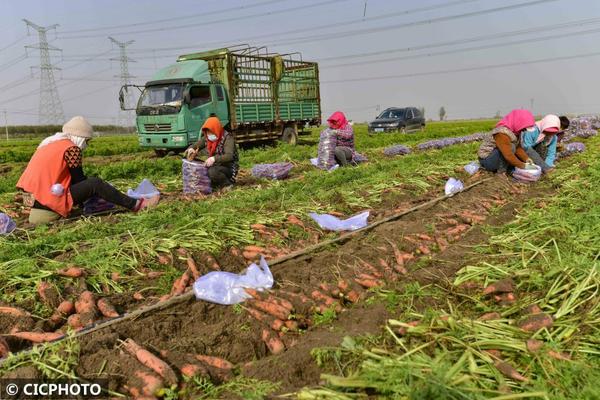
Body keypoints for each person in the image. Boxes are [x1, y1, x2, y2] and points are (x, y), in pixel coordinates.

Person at [17, 116, 159, 225]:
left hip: (36, 197)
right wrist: (103, 190)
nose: (87, 145)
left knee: (91, 184)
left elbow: (71, 179)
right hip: (49, 199)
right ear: (80, 138)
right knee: (95, 183)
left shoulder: (50, 144)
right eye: (87, 141)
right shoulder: (71, 149)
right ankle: (137, 205)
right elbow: (79, 179)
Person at [183, 116, 239, 189]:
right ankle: (215, 184)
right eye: (207, 132)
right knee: (201, 170)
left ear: (216, 129)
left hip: (228, 167)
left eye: (211, 132)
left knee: (212, 172)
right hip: (216, 165)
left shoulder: (227, 138)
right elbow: (196, 145)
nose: (209, 135)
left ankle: (227, 184)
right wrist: (191, 149)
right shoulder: (207, 138)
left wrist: (214, 159)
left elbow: (229, 156)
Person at [478, 109, 536, 174]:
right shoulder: (501, 133)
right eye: (524, 128)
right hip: (487, 161)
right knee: (511, 147)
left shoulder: (516, 132)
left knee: (514, 149)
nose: (524, 130)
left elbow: (518, 148)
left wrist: (526, 159)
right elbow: (508, 155)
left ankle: (507, 169)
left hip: (499, 156)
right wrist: (523, 166)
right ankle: (501, 173)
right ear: (518, 122)